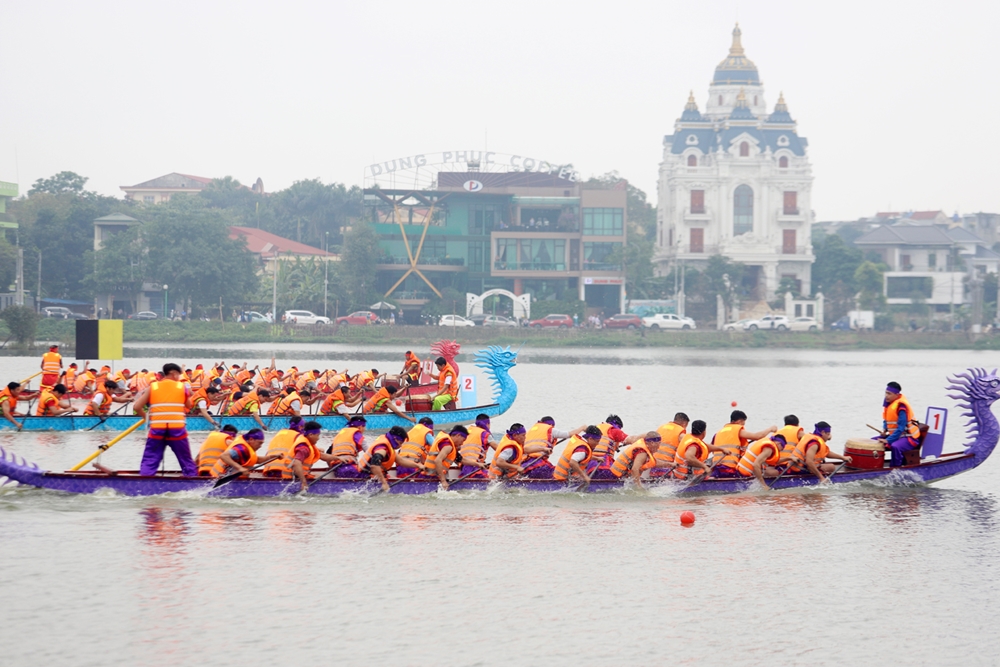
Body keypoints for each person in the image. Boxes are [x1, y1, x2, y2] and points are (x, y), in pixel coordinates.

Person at [132, 363, 196, 477]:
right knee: (185, 458)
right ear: (173, 373)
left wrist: (148, 419)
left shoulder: (153, 387)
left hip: (157, 429)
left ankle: (145, 480)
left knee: (150, 458)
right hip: (177, 430)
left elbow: (137, 407)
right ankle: (192, 479)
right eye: (178, 375)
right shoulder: (181, 387)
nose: (179, 377)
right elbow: (189, 405)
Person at [265, 420, 338, 492]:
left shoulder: (305, 440)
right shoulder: (303, 447)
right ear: (311, 435)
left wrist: (338, 458)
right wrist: (303, 482)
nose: (318, 438)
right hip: (291, 477)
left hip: (282, 471)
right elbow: (297, 463)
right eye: (317, 435)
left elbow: (321, 455)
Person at [711, 410, 776, 477]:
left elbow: (712, 449)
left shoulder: (718, 432)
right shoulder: (737, 429)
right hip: (730, 469)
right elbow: (757, 436)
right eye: (743, 424)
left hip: (716, 468)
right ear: (739, 422)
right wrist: (770, 429)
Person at [787, 422, 852, 482]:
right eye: (828, 434)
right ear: (823, 432)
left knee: (830, 466)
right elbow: (809, 462)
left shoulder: (810, 436)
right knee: (831, 467)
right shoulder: (814, 444)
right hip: (801, 470)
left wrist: (843, 458)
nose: (828, 437)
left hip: (794, 466)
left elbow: (827, 453)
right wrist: (821, 478)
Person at [880, 381, 922, 467]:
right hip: (896, 436)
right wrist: (884, 430)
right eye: (886, 393)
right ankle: (875, 465)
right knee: (873, 442)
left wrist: (888, 440)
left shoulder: (901, 406)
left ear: (897, 395)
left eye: (889, 394)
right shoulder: (888, 403)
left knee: (895, 446)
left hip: (908, 438)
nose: (886, 396)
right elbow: (886, 420)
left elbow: (901, 428)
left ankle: (896, 468)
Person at [357, 426, 408, 492]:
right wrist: (384, 483)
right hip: (366, 476)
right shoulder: (383, 448)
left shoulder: (388, 444)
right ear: (395, 439)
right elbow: (374, 465)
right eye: (400, 443)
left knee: (397, 479)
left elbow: (401, 461)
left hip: (374, 475)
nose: (400, 446)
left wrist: (418, 465)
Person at [425, 425, 468, 490]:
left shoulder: (448, 442)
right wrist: (443, 481)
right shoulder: (448, 445)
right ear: (458, 435)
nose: (462, 443)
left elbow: (462, 460)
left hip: (430, 475)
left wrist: (478, 464)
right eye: (463, 440)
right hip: (430, 477)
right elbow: (437, 460)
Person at [459, 414, 496, 478]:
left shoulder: (468, 431)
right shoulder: (485, 434)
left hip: (463, 467)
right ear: (487, 424)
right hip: (474, 468)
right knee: (494, 476)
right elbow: (498, 449)